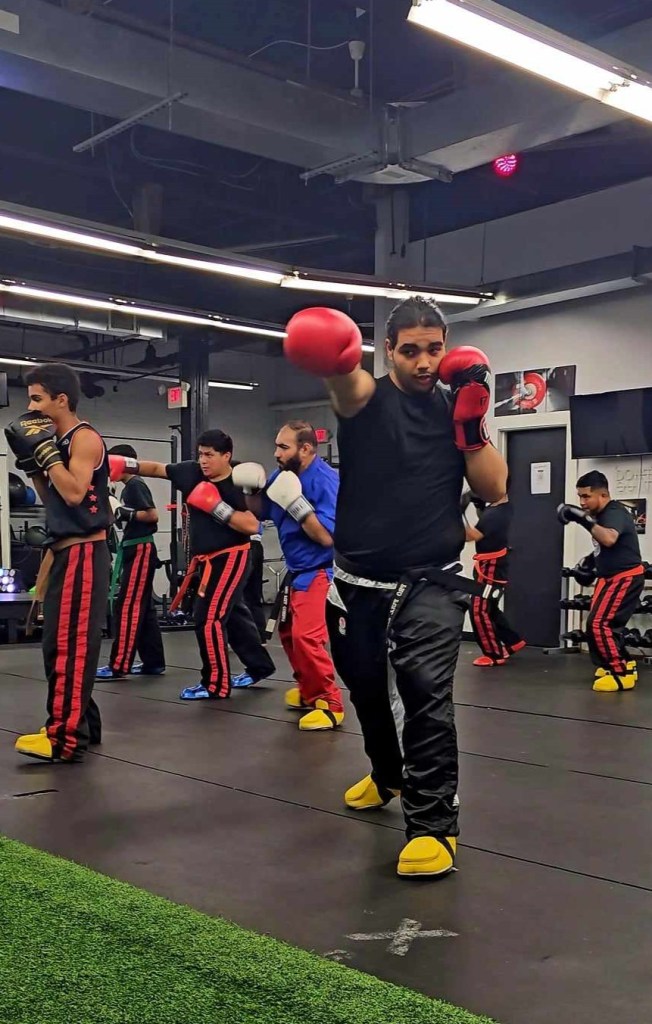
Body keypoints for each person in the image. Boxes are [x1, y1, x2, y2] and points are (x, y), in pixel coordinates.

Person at [283, 299, 507, 878]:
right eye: (410, 351)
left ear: (446, 346)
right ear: (388, 351)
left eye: (434, 349)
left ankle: (433, 825)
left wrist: (471, 425)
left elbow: (494, 489)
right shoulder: (367, 396)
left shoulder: (457, 406)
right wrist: (335, 360)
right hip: (355, 580)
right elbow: (347, 385)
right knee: (364, 689)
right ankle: (387, 774)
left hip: (432, 579)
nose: (424, 362)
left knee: (426, 694)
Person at [108, 429, 266, 701]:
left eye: (210, 455)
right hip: (205, 559)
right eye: (200, 454)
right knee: (233, 615)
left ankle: (215, 684)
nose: (203, 460)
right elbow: (157, 468)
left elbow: (252, 525)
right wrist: (124, 464)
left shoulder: (240, 480)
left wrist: (216, 506)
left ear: (226, 456)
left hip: (232, 555)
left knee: (209, 619)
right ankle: (260, 666)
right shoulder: (191, 472)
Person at [4, 363, 111, 762]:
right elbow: (53, 501)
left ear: (61, 399)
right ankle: (85, 725)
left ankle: (64, 738)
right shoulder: (58, 441)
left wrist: (46, 454)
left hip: (84, 551)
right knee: (56, 645)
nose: (30, 408)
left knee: (70, 646)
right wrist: (34, 464)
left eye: (37, 399)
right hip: (64, 549)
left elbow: (74, 493)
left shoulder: (83, 439)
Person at [234, 421, 344, 730]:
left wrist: (297, 506)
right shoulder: (281, 475)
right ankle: (309, 690)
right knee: (286, 632)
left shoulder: (326, 482)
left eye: (284, 447)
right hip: (295, 569)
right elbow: (260, 511)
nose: (276, 453)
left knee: (306, 636)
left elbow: (326, 538)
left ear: (306, 449)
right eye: (277, 445)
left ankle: (330, 703)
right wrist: (250, 489)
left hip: (322, 569)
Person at [558, 471, 644, 691]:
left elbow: (609, 538)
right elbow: (606, 546)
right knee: (601, 625)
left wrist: (581, 518)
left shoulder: (614, 511)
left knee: (599, 624)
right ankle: (623, 663)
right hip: (609, 577)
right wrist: (590, 561)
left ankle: (620, 673)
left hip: (624, 577)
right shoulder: (602, 514)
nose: (582, 502)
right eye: (580, 496)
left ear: (603, 495)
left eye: (586, 496)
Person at [96, 444, 166, 679]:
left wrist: (126, 512)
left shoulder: (135, 484)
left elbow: (152, 515)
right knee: (144, 608)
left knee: (128, 606)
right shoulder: (127, 488)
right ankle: (153, 662)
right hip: (134, 547)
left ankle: (119, 664)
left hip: (141, 548)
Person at [463, 488, 525, 666]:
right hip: (493, 563)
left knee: (478, 609)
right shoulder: (502, 508)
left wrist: (459, 512)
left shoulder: (495, 514)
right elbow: (487, 530)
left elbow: (471, 536)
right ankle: (513, 641)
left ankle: (493, 654)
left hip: (490, 565)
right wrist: (479, 507)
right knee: (489, 606)